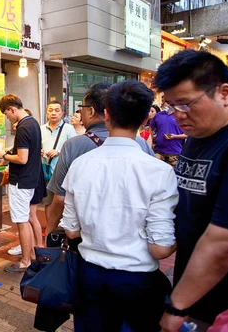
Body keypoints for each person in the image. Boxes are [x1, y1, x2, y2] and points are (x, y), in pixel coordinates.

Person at [61, 80, 178, 331]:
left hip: (90, 275)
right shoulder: (159, 172)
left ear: (107, 114)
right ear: (146, 118)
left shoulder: (80, 164)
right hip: (137, 280)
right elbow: (161, 248)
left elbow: (70, 231)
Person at [152, 50, 228, 331]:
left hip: (224, 305)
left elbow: (224, 242)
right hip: (192, 289)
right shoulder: (198, 137)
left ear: (224, 93)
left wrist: (177, 305)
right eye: (171, 105)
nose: (177, 115)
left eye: (185, 104)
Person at [46, 83, 154, 236]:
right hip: (133, 235)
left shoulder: (73, 146)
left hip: (86, 237)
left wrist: (50, 234)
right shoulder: (141, 143)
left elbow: (59, 199)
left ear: (90, 111)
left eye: (81, 108)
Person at [0, 95, 44, 273]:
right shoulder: (34, 123)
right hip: (30, 179)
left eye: (7, 114)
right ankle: (30, 256)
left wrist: (3, 155)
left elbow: (22, 159)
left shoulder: (23, 127)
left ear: (12, 109)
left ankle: (25, 261)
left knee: (22, 222)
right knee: (26, 220)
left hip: (21, 181)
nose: (8, 118)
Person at [39, 101, 77, 224]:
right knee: (47, 202)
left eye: (57, 110)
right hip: (46, 171)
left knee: (64, 202)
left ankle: (61, 229)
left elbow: (73, 149)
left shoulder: (69, 129)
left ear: (62, 113)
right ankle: (50, 230)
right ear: (46, 112)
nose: (53, 113)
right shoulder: (41, 129)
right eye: (50, 110)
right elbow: (37, 146)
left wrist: (59, 152)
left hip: (63, 172)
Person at [151, 99, 187, 167]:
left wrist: (175, 136)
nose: (162, 103)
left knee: (173, 175)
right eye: (162, 101)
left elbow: (188, 134)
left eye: (164, 101)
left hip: (175, 152)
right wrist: (151, 140)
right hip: (158, 151)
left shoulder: (180, 116)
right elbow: (150, 128)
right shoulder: (159, 115)